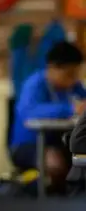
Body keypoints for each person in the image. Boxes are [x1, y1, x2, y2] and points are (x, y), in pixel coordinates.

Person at [10, 41, 86, 188]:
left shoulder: (74, 87)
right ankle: (52, 203)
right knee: (54, 163)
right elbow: (30, 112)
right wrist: (71, 109)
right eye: (69, 74)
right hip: (28, 145)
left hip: (61, 143)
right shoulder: (34, 84)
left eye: (76, 74)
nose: (74, 79)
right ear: (52, 68)